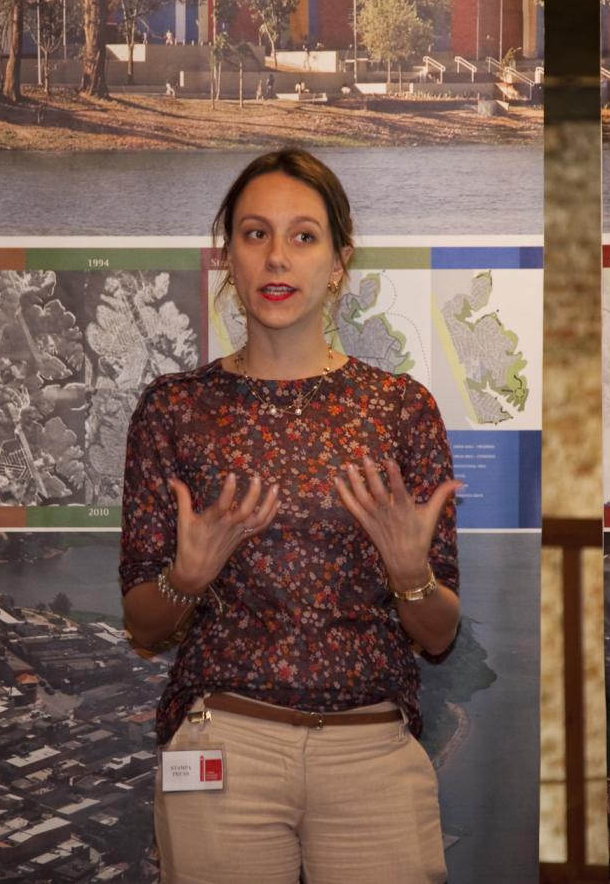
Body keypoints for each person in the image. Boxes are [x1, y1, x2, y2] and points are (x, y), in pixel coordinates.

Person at [119, 148, 459, 884]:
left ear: (338, 263)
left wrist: (410, 573)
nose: (278, 256)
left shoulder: (401, 409)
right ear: (228, 257)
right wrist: (186, 578)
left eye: (304, 236)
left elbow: (438, 635)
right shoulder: (174, 409)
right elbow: (144, 625)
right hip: (223, 749)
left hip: (373, 752)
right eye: (256, 234)